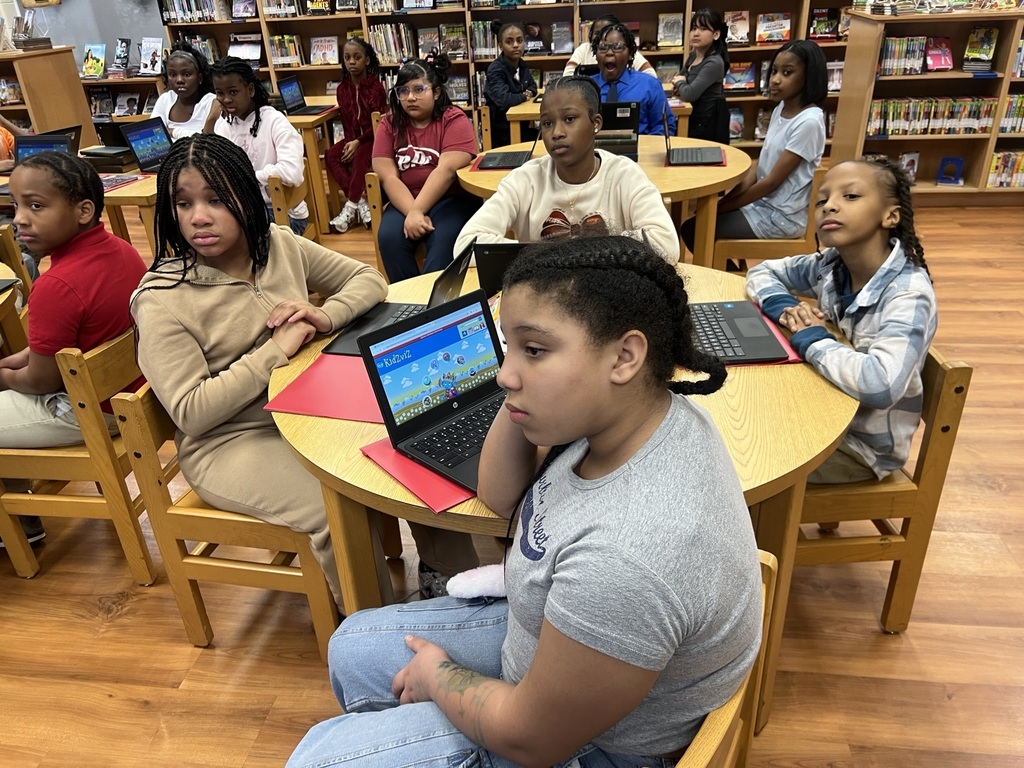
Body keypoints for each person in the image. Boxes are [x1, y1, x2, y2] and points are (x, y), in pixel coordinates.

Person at [287, 235, 762, 767]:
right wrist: (522, 391)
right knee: (351, 647)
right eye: (507, 345)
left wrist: (438, 676)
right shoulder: (633, 411)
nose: (502, 374)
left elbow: (531, 739)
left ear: (625, 356)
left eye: (534, 350)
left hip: (598, 743)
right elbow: (499, 494)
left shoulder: (628, 558)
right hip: (558, 644)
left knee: (316, 761)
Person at [130, 133, 389, 608]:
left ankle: (445, 582)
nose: (198, 217)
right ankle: (379, 631)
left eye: (216, 199)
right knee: (333, 506)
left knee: (405, 440)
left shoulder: (277, 243)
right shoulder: (161, 299)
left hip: (306, 410)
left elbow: (367, 278)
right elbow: (191, 412)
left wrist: (324, 315)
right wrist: (275, 350)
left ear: (247, 198)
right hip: (230, 442)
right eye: (183, 204)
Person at [746, 159, 937, 484]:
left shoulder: (908, 295)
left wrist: (813, 339)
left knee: (747, 467)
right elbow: (763, 271)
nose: (829, 206)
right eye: (822, 199)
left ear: (891, 216)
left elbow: (882, 384)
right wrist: (786, 308)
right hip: (818, 411)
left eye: (850, 196)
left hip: (859, 447)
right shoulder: (831, 265)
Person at [0, 152, 146, 548]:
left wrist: (4, 375)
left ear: (83, 210)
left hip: (90, 411)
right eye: (15, 205)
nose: (19, 219)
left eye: (36, 206)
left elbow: (42, 380)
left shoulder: (56, 285)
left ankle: (19, 525)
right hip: (130, 395)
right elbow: (64, 348)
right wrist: (15, 365)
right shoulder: (121, 249)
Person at [455, 76, 680, 264]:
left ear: (596, 123)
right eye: (547, 123)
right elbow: (466, 244)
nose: (556, 133)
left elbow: (666, 244)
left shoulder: (624, 175)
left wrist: (568, 255)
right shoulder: (526, 179)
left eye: (569, 119)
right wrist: (544, 256)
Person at [683, 39, 826, 254]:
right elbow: (760, 167)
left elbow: (771, 183)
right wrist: (724, 203)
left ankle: (725, 273)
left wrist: (723, 207)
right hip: (763, 205)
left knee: (695, 229)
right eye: (774, 71)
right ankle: (721, 267)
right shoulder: (781, 108)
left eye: (787, 73)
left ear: (809, 77)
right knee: (701, 221)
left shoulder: (809, 122)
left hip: (781, 217)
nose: (775, 79)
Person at [371, 53, 480, 283]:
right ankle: (409, 298)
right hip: (405, 199)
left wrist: (416, 212)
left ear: (436, 92)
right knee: (389, 238)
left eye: (419, 89)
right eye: (403, 91)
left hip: (450, 199)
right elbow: (388, 177)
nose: (410, 97)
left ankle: (434, 300)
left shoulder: (454, 119)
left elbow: (445, 171)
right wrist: (413, 211)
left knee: (444, 240)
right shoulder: (389, 124)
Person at [211, 56, 309, 236]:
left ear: (250, 90)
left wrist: (248, 178)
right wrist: (210, 121)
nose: (226, 99)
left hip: (284, 214)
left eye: (233, 92)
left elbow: (292, 172)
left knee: (233, 231)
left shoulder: (274, 121)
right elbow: (212, 171)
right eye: (220, 93)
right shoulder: (223, 126)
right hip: (243, 208)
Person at [326, 37, 388, 234]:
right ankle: (361, 203)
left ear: (367, 60)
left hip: (373, 139)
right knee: (331, 155)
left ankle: (350, 207)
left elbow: (378, 124)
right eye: (347, 58)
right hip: (352, 138)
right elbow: (346, 121)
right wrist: (349, 143)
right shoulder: (342, 89)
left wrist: (358, 142)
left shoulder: (376, 88)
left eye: (357, 57)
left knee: (360, 156)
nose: (352, 61)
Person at [591, 24, 674, 136]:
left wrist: (644, 144)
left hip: (641, 145)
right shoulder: (585, 88)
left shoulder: (649, 85)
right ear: (595, 54)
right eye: (603, 47)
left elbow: (664, 126)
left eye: (617, 47)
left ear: (630, 54)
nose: (609, 52)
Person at [671, 8, 730, 144]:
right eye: (694, 28)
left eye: (703, 29)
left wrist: (681, 84)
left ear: (716, 34)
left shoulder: (714, 62)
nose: (696, 33)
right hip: (692, 117)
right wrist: (681, 84)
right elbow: (678, 79)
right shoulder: (693, 55)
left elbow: (689, 94)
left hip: (707, 124)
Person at [151, 40, 222, 140]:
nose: (179, 80)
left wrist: (174, 132)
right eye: (173, 75)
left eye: (187, 74)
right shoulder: (165, 99)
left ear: (200, 78)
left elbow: (209, 141)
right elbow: (154, 136)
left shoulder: (211, 102)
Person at [484, 21, 539, 149]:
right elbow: (505, 100)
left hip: (521, 126)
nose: (515, 45)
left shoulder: (522, 65)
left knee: (547, 135)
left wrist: (528, 92)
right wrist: (525, 96)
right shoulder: (495, 69)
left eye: (519, 41)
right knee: (544, 139)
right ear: (500, 46)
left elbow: (533, 86)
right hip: (503, 133)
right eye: (509, 42)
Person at [563, 14, 658, 78]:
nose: (602, 37)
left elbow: (651, 75)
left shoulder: (625, 50)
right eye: (597, 33)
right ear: (591, 34)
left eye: (607, 32)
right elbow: (567, 77)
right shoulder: (584, 49)